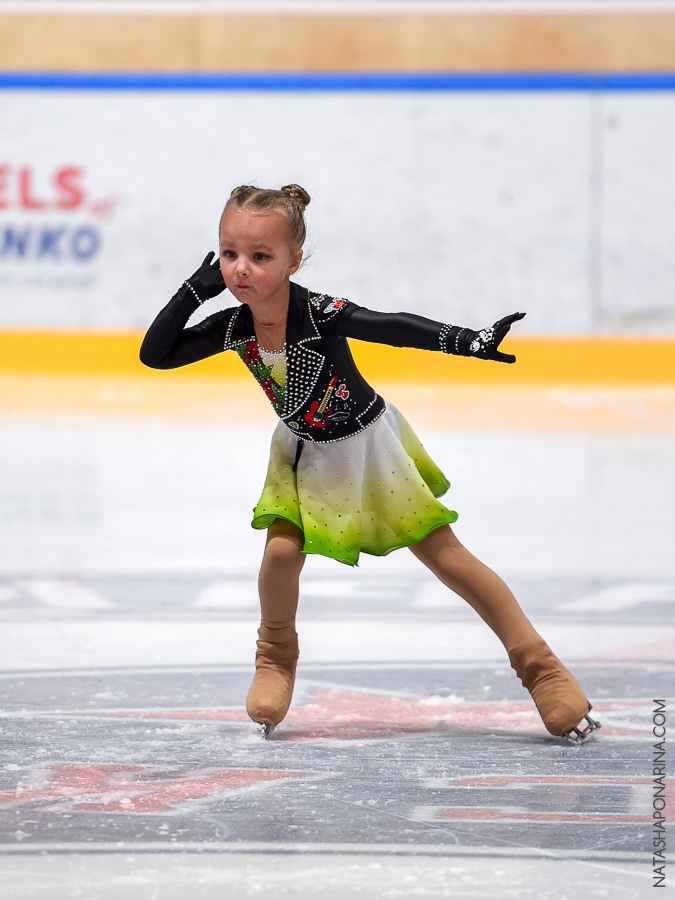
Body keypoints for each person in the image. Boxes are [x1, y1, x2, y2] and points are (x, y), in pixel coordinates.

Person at [140, 183, 599, 743]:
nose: (241, 269)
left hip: (367, 449)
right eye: (230, 254)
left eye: (260, 257)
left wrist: (467, 341)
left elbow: (393, 326)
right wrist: (194, 290)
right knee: (281, 554)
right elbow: (156, 354)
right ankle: (275, 658)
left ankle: (542, 667)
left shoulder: (320, 313)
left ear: (293, 260)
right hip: (301, 452)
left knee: (445, 557)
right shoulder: (232, 325)